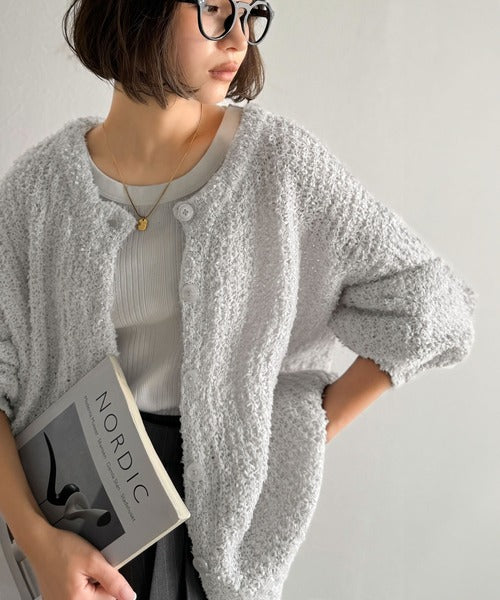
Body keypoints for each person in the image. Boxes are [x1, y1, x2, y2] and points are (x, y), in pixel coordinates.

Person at [0, 1, 478, 599]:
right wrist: (38, 541)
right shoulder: (37, 192)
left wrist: (293, 434)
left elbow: (430, 307)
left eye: (250, 13)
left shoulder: (278, 166)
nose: (239, 39)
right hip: (66, 526)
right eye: (215, 10)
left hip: (217, 530)